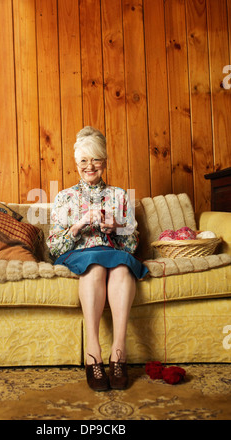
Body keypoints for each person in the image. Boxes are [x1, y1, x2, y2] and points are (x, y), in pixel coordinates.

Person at [47, 127, 148, 391]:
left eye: (96, 159)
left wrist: (117, 227)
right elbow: (54, 248)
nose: (89, 166)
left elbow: (132, 245)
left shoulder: (119, 196)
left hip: (114, 253)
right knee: (94, 268)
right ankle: (93, 353)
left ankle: (119, 353)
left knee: (123, 268)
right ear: (76, 163)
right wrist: (78, 225)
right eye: (84, 160)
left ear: (104, 161)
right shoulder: (64, 197)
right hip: (81, 256)